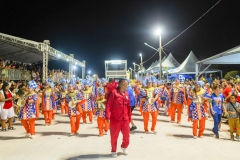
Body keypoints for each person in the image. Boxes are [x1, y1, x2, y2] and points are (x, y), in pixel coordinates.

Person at [106, 79, 131, 158]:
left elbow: (128, 107)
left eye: (126, 85)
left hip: (125, 119)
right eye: (123, 84)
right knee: (114, 136)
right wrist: (107, 116)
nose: (125, 86)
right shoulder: (114, 93)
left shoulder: (126, 94)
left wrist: (130, 117)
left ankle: (124, 147)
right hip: (115, 119)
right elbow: (108, 105)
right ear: (119, 84)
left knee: (127, 135)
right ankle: (113, 150)